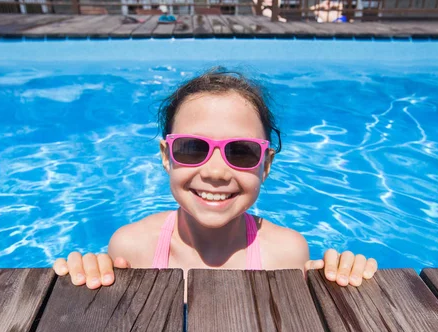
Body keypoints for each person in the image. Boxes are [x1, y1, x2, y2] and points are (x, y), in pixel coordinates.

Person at [53, 68, 377, 294]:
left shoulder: (286, 253)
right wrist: (90, 272)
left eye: (241, 152)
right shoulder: (132, 247)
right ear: (167, 156)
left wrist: (343, 276)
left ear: (265, 165)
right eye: (193, 149)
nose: (216, 172)